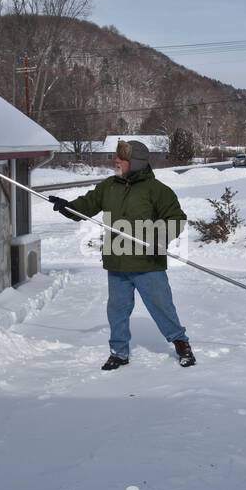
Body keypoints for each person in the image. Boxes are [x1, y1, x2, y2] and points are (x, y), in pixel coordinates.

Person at [49, 140, 196, 369]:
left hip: (148, 261)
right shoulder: (109, 186)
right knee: (117, 310)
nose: (116, 161)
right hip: (117, 262)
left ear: (135, 163)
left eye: (122, 158)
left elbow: (176, 218)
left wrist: (160, 238)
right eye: (117, 157)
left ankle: (181, 343)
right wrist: (67, 207)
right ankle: (119, 352)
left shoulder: (156, 190)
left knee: (161, 306)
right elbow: (87, 206)